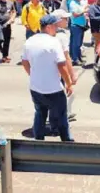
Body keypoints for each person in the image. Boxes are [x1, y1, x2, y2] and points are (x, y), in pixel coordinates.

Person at [22, 14, 74, 142]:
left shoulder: (30, 41)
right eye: (55, 26)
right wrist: (69, 83)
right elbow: (62, 66)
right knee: (61, 117)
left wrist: (32, 74)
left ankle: (39, 141)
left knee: (40, 114)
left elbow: (24, 62)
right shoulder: (54, 42)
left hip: (35, 88)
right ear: (49, 27)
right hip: (53, 89)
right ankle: (66, 141)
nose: (57, 29)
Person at [52, 9, 77, 123]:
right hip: (61, 69)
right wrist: (72, 75)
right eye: (65, 18)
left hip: (52, 69)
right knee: (69, 93)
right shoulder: (61, 36)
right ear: (58, 21)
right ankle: (63, 117)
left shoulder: (50, 34)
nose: (67, 20)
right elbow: (66, 57)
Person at [69, 0, 88, 66]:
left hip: (80, 26)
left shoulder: (78, 2)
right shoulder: (73, 3)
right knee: (75, 44)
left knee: (79, 44)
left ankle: (78, 57)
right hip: (76, 26)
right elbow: (75, 15)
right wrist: (83, 11)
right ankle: (75, 59)